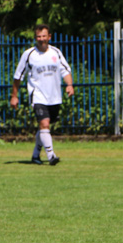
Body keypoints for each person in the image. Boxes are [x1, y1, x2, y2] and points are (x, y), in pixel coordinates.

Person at [10, 24, 75, 165]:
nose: (41, 39)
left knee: (45, 126)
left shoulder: (56, 53)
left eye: (44, 36)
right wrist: (14, 96)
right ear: (35, 38)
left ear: (49, 37)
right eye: (38, 36)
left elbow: (66, 71)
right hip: (38, 95)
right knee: (44, 123)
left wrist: (69, 85)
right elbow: (18, 77)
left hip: (54, 96)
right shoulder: (29, 55)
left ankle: (35, 155)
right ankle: (51, 156)